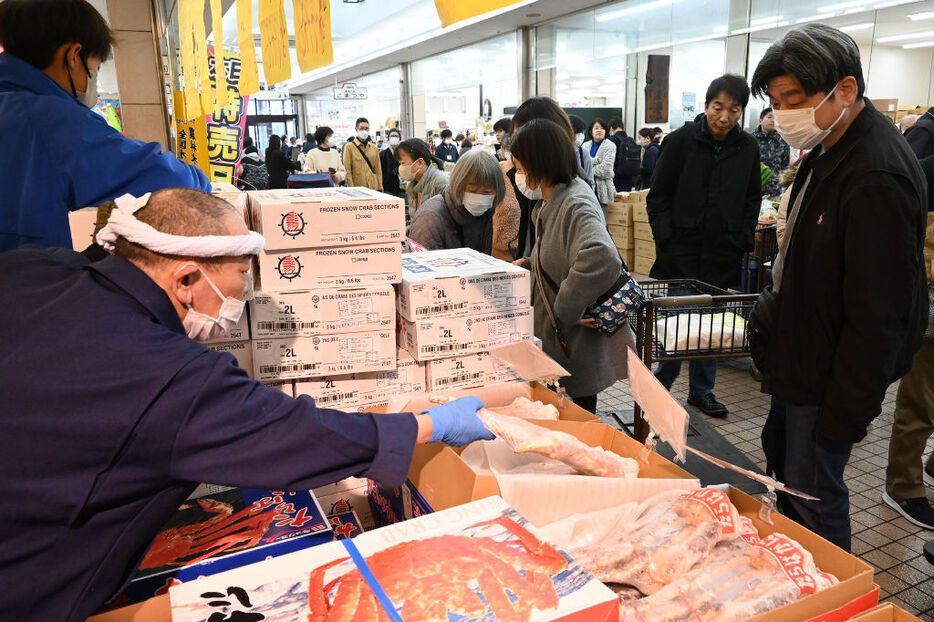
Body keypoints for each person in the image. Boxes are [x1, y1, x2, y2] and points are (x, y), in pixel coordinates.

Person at [0, 188, 493, 620]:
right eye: (241, 273)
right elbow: (294, 434)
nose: (248, 292)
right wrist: (431, 423)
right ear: (186, 279)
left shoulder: (31, 266)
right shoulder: (165, 375)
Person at [750, 23, 927, 552]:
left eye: (795, 99)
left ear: (844, 90)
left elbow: (880, 315)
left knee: (814, 493)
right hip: (800, 353)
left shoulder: (876, 173)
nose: (783, 115)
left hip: (828, 377)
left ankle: (833, 594)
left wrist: (846, 413)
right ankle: (799, 577)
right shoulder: (831, 144)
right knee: (787, 472)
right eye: (776, 101)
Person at [0, 0, 210, 252]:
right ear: (73, 56)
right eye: (96, 68)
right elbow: (175, 180)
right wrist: (200, 178)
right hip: (38, 280)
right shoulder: (55, 120)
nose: (95, 89)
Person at [647, 74, 761, 418]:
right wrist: (666, 238)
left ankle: (701, 391)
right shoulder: (681, 141)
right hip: (681, 248)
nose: (724, 117)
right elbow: (658, 196)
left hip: (721, 250)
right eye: (718, 107)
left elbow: (752, 198)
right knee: (679, 321)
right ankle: (661, 385)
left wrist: (741, 237)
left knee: (710, 323)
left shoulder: (748, 147)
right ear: (706, 105)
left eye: (734, 110)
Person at [511, 118, 634, 413]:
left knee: (574, 428)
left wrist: (567, 309)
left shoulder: (575, 201)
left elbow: (601, 255)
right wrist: (531, 264)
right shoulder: (555, 198)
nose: (518, 173)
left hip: (572, 349)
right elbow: (563, 252)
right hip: (560, 346)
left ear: (538, 162)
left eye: (520, 166)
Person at [506, 97, 583, 263]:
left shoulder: (575, 198)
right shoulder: (529, 181)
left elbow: (598, 257)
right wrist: (531, 262)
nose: (519, 143)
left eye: (523, 134)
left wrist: (568, 289)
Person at [408, 149, 505, 255]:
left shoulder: (487, 211)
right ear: (458, 184)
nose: (480, 197)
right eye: (472, 190)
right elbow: (423, 265)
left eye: (487, 192)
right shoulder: (430, 217)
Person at [397, 138, 448, 219]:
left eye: (403, 163)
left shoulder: (440, 183)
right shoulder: (412, 185)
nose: (400, 168)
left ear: (420, 162)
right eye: (400, 164)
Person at [582, 118, 617, 215]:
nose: (599, 130)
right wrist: (596, 161)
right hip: (587, 189)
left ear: (606, 131)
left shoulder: (610, 146)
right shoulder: (584, 146)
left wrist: (588, 168)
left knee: (604, 222)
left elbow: (606, 170)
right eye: (596, 128)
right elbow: (581, 165)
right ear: (591, 131)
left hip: (603, 190)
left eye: (602, 128)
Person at [754, 108, 790, 197]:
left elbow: (785, 165)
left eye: (776, 118)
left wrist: (783, 187)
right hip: (753, 190)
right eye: (769, 117)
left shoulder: (782, 140)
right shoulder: (751, 140)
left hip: (775, 191)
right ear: (760, 121)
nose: (773, 120)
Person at [342, 117, 383, 190]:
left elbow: (378, 170)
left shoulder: (374, 148)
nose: (364, 131)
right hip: (358, 189)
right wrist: (351, 189)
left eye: (366, 129)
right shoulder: (349, 147)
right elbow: (347, 171)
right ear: (356, 129)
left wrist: (380, 187)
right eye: (361, 128)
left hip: (373, 187)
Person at [607, 116, 641, 193]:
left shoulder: (610, 140)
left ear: (611, 129)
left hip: (615, 179)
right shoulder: (631, 140)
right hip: (629, 178)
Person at [568, 114, 595, 190]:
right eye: (578, 132)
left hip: (583, 194)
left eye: (583, 132)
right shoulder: (559, 153)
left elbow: (590, 179)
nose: (581, 136)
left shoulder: (584, 152)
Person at [379, 127, 403, 197]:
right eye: (392, 136)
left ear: (400, 138)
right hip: (388, 190)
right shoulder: (383, 154)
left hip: (402, 189)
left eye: (396, 136)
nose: (394, 138)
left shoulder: (404, 154)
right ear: (388, 138)